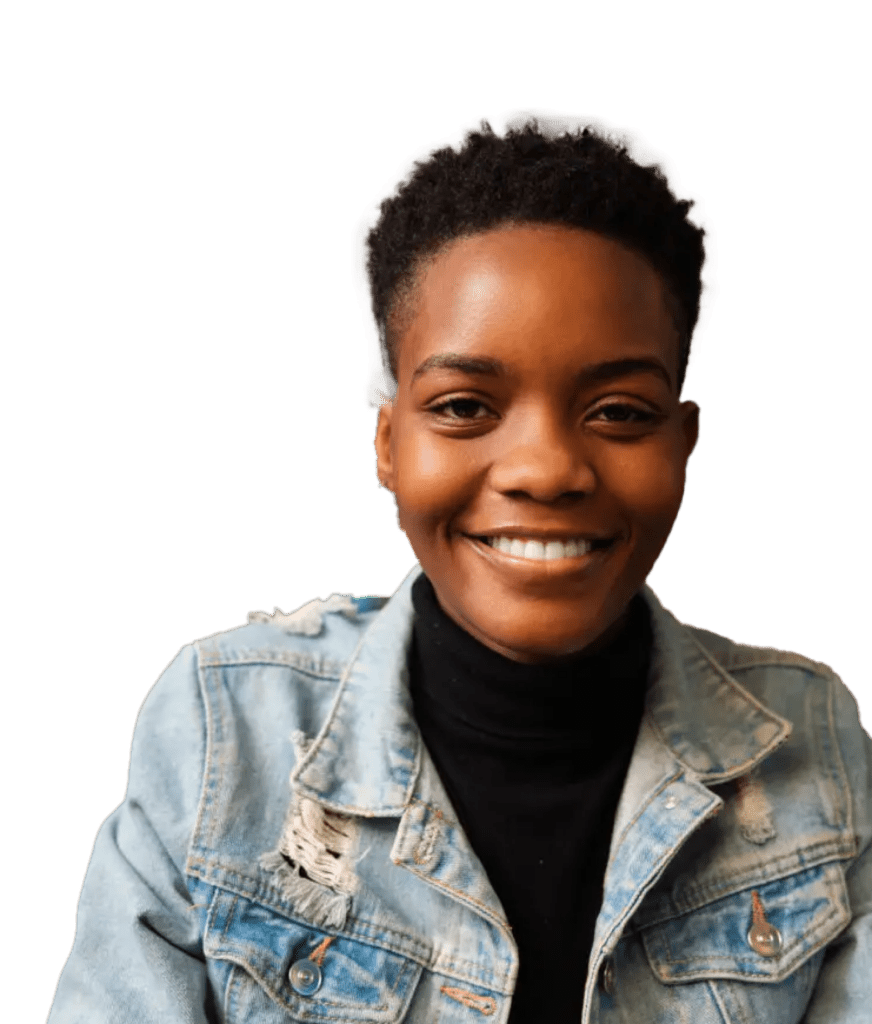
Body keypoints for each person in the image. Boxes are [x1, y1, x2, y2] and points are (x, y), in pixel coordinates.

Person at [47, 109, 870, 1023]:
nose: (546, 470)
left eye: (621, 412)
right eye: (466, 406)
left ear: (684, 446)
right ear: (387, 443)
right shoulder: (221, 732)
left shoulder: (817, 742)